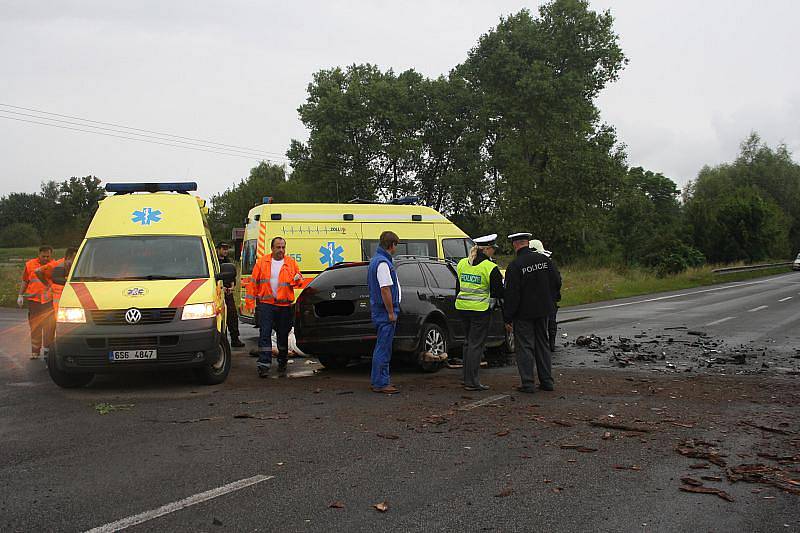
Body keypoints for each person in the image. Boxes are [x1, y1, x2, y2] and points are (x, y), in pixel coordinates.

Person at [503, 232, 562, 393]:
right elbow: (557, 281)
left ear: (515, 245)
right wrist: (551, 299)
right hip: (544, 311)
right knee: (542, 345)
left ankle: (528, 383)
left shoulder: (515, 266)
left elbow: (511, 293)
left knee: (525, 347)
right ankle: (547, 381)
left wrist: (508, 316)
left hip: (524, 313)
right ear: (527, 243)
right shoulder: (545, 260)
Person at [245, 237, 304, 377]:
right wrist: (250, 303)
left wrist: (297, 280)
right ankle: (264, 365)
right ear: (272, 248)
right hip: (266, 305)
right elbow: (253, 284)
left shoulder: (291, 263)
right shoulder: (262, 263)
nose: (281, 250)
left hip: (284, 306)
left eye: (283, 247)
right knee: (264, 334)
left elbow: (299, 280)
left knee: (282, 336)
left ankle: (282, 360)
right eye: (278, 247)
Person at [455, 234, 504, 391]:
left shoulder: (462, 263)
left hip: (462, 308)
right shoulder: (490, 268)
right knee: (476, 345)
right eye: (493, 249)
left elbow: (458, 286)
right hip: (480, 310)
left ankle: (466, 378)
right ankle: (472, 381)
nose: (494, 252)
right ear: (487, 249)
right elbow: (498, 292)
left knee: (468, 343)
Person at [367, 231, 401, 394]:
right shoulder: (383, 263)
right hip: (385, 311)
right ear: (392, 245)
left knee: (382, 346)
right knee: (384, 348)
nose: (396, 249)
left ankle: (378, 381)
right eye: (396, 245)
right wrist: (390, 312)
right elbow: (385, 289)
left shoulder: (376, 261)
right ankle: (381, 382)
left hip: (380, 310)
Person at [18, 246, 55, 359]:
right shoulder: (30, 265)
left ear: (51, 255)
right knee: (35, 326)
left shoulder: (54, 265)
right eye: (43, 256)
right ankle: (35, 351)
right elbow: (25, 281)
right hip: (34, 301)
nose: (45, 258)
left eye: (47, 256)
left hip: (49, 301)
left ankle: (48, 351)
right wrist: (20, 295)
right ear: (39, 254)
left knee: (49, 327)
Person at [529, 239, 561, 352]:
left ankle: (541, 345)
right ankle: (550, 345)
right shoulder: (549, 262)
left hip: (535, 299)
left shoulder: (527, 263)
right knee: (551, 321)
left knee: (539, 323)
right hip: (549, 297)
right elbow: (557, 280)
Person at [216, 242, 245, 348]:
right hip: (217, 292)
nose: (225, 251)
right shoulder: (214, 261)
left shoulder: (228, 262)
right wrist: (221, 288)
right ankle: (219, 341)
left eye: (227, 249)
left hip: (228, 292)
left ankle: (235, 338)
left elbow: (232, 276)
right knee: (219, 317)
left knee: (232, 315)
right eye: (223, 249)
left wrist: (232, 287)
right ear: (218, 249)